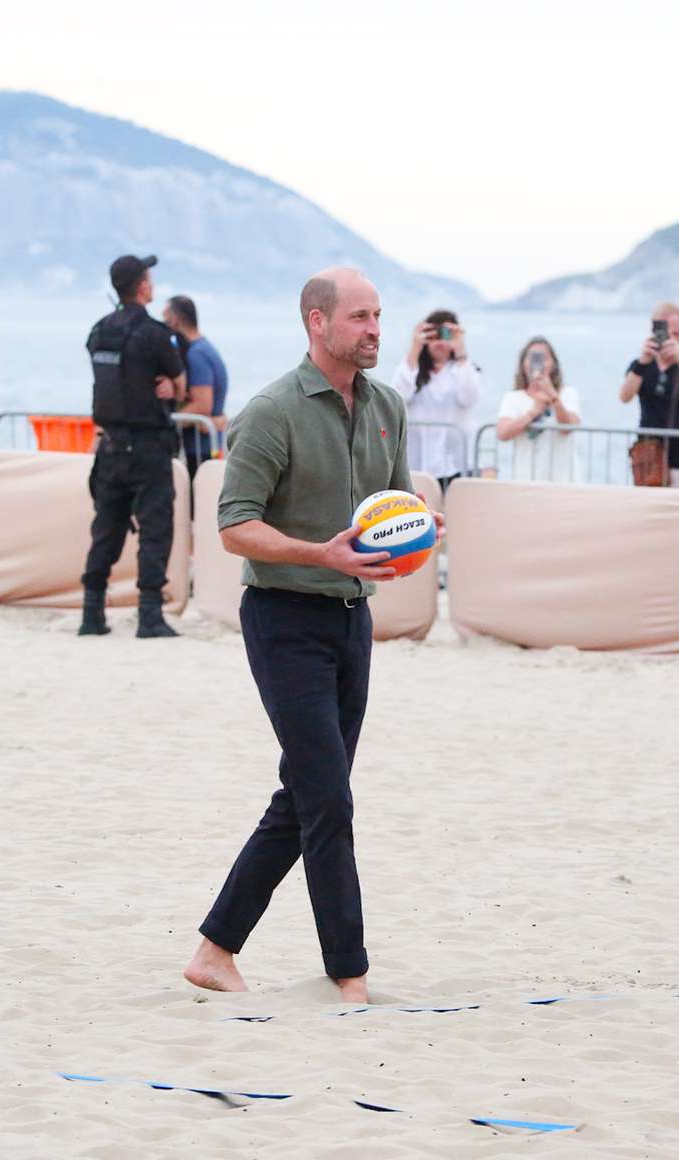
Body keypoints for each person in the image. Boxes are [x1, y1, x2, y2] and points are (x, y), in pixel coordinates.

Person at [183, 267, 444, 1005]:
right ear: (316, 323)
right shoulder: (271, 412)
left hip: (352, 621)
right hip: (283, 621)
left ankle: (214, 951)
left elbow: (393, 509)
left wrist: (420, 531)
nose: (374, 329)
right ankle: (350, 976)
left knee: (305, 795)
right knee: (329, 799)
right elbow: (235, 526)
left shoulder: (387, 404)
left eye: (378, 316)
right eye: (359, 317)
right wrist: (317, 553)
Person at [78, 254, 186, 639]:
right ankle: (149, 616)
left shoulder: (98, 332)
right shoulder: (156, 334)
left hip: (109, 446)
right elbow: (179, 383)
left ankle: (92, 613)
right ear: (142, 287)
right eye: (149, 278)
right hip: (148, 446)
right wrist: (170, 389)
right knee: (155, 529)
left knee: (106, 527)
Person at [391, 309, 480, 490]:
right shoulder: (411, 367)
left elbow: (468, 398)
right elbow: (399, 395)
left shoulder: (464, 368)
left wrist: (461, 349)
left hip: (453, 462)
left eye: (445, 335)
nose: (439, 341)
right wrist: (415, 346)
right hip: (416, 461)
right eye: (433, 335)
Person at [496, 336, 581, 482]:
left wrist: (553, 396)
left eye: (544, 358)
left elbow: (568, 427)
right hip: (526, 478)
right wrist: (533, 412)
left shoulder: (568, 393)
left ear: (554, 364)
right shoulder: (513, 397)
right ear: (523, 364)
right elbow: (503, 433)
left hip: (564, 479)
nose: (538, 363)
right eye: (532, 358)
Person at [163, 295, 229, 479]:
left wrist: (164, 423)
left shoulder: (196, 354)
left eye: (165, 317)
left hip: (201, 450)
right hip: (205, 446)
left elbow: (202, 406)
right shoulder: (203, 349)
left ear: (175, 320)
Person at [619, 303, 679, 486]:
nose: (673, 339)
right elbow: (625, 396)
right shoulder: (642, 365)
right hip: (649, 456)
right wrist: (643, 362)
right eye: (670, 334)